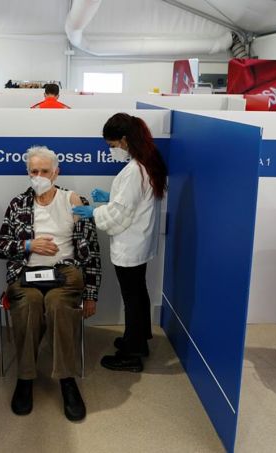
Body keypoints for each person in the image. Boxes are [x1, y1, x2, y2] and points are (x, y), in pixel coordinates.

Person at [0, 146, 101, 421]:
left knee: (57, 305)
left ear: (56, 172)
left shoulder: (74, 200)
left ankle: (66, 380)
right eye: (34, 171)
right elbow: (0, 247)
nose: (39, 176)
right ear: (27, 173)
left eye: (45, 171)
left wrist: (91, 294)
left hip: (65, 275)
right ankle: (25, 378)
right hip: (26, 274)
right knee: (29, 305)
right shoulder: (18, 204)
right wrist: (28, 245)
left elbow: (91, 252)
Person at [72, 113, 167, 373]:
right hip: (139, 241)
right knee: (138, 293)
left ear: (124, 140)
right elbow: (131, 202)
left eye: (112, 145)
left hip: (130, 243)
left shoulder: (134, 170)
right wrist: (111, 196)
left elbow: (121, 214)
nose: (111, 150)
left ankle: (132, 354)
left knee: (132, 298)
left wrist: (94, 212)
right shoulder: (146, 163)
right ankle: (138, 340)